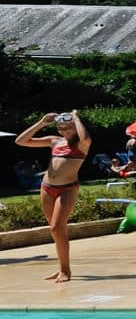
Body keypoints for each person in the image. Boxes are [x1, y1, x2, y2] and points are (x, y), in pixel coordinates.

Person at [15, 111, 92, 283]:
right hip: (47, 188)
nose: (64, 131)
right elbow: (20, 141)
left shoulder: (81, 144)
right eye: (61, 128)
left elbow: (86, 137)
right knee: (56, 231)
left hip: (67, 189)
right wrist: (41, 123)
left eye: (68, 127)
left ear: (75, 127)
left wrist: (76, 117)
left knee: (57, 228)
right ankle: (61, 268)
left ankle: (66, 270)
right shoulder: (54, 141)